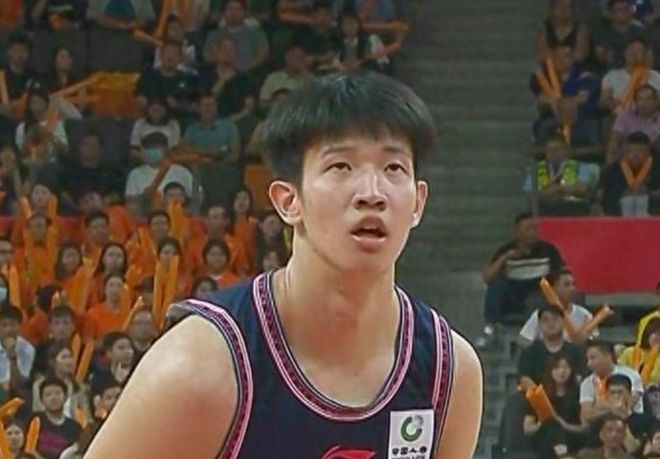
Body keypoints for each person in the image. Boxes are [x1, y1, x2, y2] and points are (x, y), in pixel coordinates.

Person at [87, 72, 483, 458]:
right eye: (341, 167)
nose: (372, 193)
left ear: (417, 203)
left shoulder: (448, 373)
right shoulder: (199, 367)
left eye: (393, 168)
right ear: (288, 201)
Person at [477, 212, 564, 348]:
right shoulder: (507, 251)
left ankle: (531, 340)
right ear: (518, 232)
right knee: (497, 285)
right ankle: (489, 329)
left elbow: (561, 275)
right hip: (513, 297)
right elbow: (487, 277)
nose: (533, 233)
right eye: (528, 229)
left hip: (539, 294)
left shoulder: (548, 250)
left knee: (536, 301)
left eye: (535, 229)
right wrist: (505, 258)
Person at [523, 354, 587, 459]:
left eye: (566, 367)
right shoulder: (540, 395)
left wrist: (563, 424)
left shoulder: (579, 394)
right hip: (545, 438)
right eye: (556, 367)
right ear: (550, 370)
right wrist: (540, 424)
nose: (561, 372)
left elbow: (584, 428)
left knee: (554, 426)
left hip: (571, 437)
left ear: (572, 370)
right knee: (550, 426)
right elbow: (527, 429)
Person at [519, 267, 597, 347]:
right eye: (567, 284)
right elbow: (523, 339)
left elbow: (595, 341)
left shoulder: (585, 315)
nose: (572, 288)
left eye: (574, 284)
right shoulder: (541, 314)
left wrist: (585, 340)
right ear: (555, 288)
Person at [518, 303, 588, 390]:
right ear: (539, 325)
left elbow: (582, 377)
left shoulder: (577, 351)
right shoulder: (530, 352)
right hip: (538, 396)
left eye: (555, 319)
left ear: (564, 323)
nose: (551, 323)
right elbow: (524, 378)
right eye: (546, 320)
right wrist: (540, 396)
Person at [523, 133, 592, 216]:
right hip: (545, 209)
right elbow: (530, 194)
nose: (552, 153)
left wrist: (558, 188)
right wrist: (549, 192)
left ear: (566, 150)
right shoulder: (536, 169)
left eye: (556, 149)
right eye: (549, 150)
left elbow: (582, 190)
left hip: (573, 209)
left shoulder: (580, 166)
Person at [580, 342, 644, 425]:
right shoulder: (587, 383)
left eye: (593, 358)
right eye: (588, 360)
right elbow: (586, 416)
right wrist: (611, 409)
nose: (589, 364)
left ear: (608, 356)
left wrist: (600, 408)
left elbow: (624, 408)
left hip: (632, 424)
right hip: (601, 426)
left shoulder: (631, 375)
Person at [598, 131, 660, 216]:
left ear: (649, 152)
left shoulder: (656, 167)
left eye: (640, 151)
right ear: (624, 151)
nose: (635, 155)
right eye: (630, 151)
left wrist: (648, 193)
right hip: (617, 215)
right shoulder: (612, 170)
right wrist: (625, 192)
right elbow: (601, 193)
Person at [34, 376, 82, 459]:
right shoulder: (34, 420)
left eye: (58, 393)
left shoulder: (75, 427)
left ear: (65, 397)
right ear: (41, 400)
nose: (53, 398)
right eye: (48, 395)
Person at [0, 305, 34, 396]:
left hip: (17, 394)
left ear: (20, 326)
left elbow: (21, 384)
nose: (8, 329)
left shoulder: (28, 349)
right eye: (4, 325)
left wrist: (12, 357)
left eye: (12, 325)